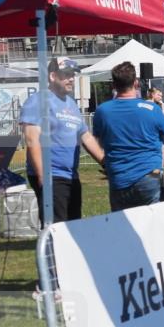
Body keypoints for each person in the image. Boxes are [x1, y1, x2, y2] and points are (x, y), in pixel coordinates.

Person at [19, 56, 105, 225]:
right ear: (52, 76)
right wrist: (42, 174)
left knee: (74, 225)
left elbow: (85, 136)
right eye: (66, 74)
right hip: (52, 174)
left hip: (71, 175)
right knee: (57, 227)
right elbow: (31, 138)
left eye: (73, 74)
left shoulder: (71, 104)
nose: (71, 78)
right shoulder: (38, 100)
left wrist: (105, 162)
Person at [92, 62, 164, 211]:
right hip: (149, 174)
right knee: (153, 224)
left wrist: (104, 162)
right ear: (136, 83)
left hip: (119, 176)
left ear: (113, 85)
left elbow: (97, 143)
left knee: (123, 226)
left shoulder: (102, 111)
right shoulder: (153, 109)